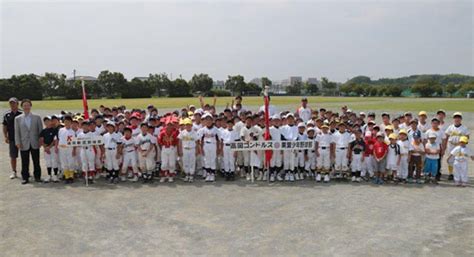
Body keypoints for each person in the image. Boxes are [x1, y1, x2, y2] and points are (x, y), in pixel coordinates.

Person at [14, 99, 43, 184]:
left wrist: (40, 141)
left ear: (30, 106)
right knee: (24, 161)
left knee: (36, 161)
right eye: (24, 105)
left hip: (35, 142)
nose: (26, 107)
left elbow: (40, 131)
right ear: (22, 107)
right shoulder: (18, 119)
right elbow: (17, 132)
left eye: (28, 105)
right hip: (23, 143)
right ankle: (25, 177)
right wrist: (17, 142)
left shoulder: (37, 117)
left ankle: (37, 176)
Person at [445, 112, 470, 181]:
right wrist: (444, 145)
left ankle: (459, 174)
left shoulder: (464, 128)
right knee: (450, 159)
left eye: (458, 117)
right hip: (451, 145)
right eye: (455, 117)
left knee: (460, 160)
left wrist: (464, 144)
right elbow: (446, 136)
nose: (457, 119)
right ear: (453, 119)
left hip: (460, 146)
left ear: (461, 119)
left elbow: (467, 136)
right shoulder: (450, 127)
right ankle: (450, 174)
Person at [3, 97, 23, 179]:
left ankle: (25, 171)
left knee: (24, 155)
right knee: (13, 156)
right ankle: (14, 171)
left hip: (22, 138)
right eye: (11, 103)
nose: (12, 104)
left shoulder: (22, 113)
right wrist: (5, 136)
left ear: (17, 104)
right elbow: (5, 126)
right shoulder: (7, 114)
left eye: (14, 103)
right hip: (12, 138)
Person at [178, 118, 200, 182]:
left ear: (191, 125)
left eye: (189, 125)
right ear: (184, 126)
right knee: (185, 162)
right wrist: (180, 150)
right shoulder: (182, 132)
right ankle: (187, 174)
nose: (188, 126)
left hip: (192, 149)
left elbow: (197, 142)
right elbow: (180, 142)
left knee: (192, 162)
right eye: (186, 125)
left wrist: (197, 150)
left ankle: (191, 175)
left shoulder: (194, 133)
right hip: (185, 149)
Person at [39, 116, 59, 183]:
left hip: (52, 148)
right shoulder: (43, 131)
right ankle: (49, 175)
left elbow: (55, 140)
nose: (47, 122)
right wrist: (45, 147)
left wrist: (49, 147)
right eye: (45, 121)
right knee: (48, 162)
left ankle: (55, 175)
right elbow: (41, 140)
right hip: (46, 149)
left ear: (51, 122)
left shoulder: (54, 130)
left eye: (48, 121)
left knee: (54, 161)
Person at [57, 115, 75, 182]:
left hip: (69, 148)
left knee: (71, 162)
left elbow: (74, 142)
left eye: (68, 121)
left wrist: (74, 150)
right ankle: (67, 176)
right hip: (62, 148)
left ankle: (71, 176)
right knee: (64, 162)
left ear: (71, 122)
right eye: (65, 121)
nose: (67, 123)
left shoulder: (72, 131)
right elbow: (59, 139)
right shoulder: (61, 130)